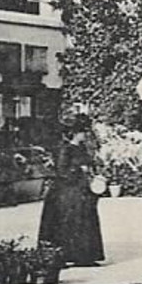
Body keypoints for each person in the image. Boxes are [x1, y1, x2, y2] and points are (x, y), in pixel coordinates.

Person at [38, 111, 106, 266]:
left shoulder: (81, 148)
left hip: (81, 190)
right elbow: (62, 171)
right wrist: (79, 170)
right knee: (70, 223)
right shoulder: (66, 149)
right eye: (83, 133)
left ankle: (85, 256)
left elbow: (89, 163)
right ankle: (68, 255)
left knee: (84, 222)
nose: (85, 136)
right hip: (67, 192)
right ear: (76, 134)